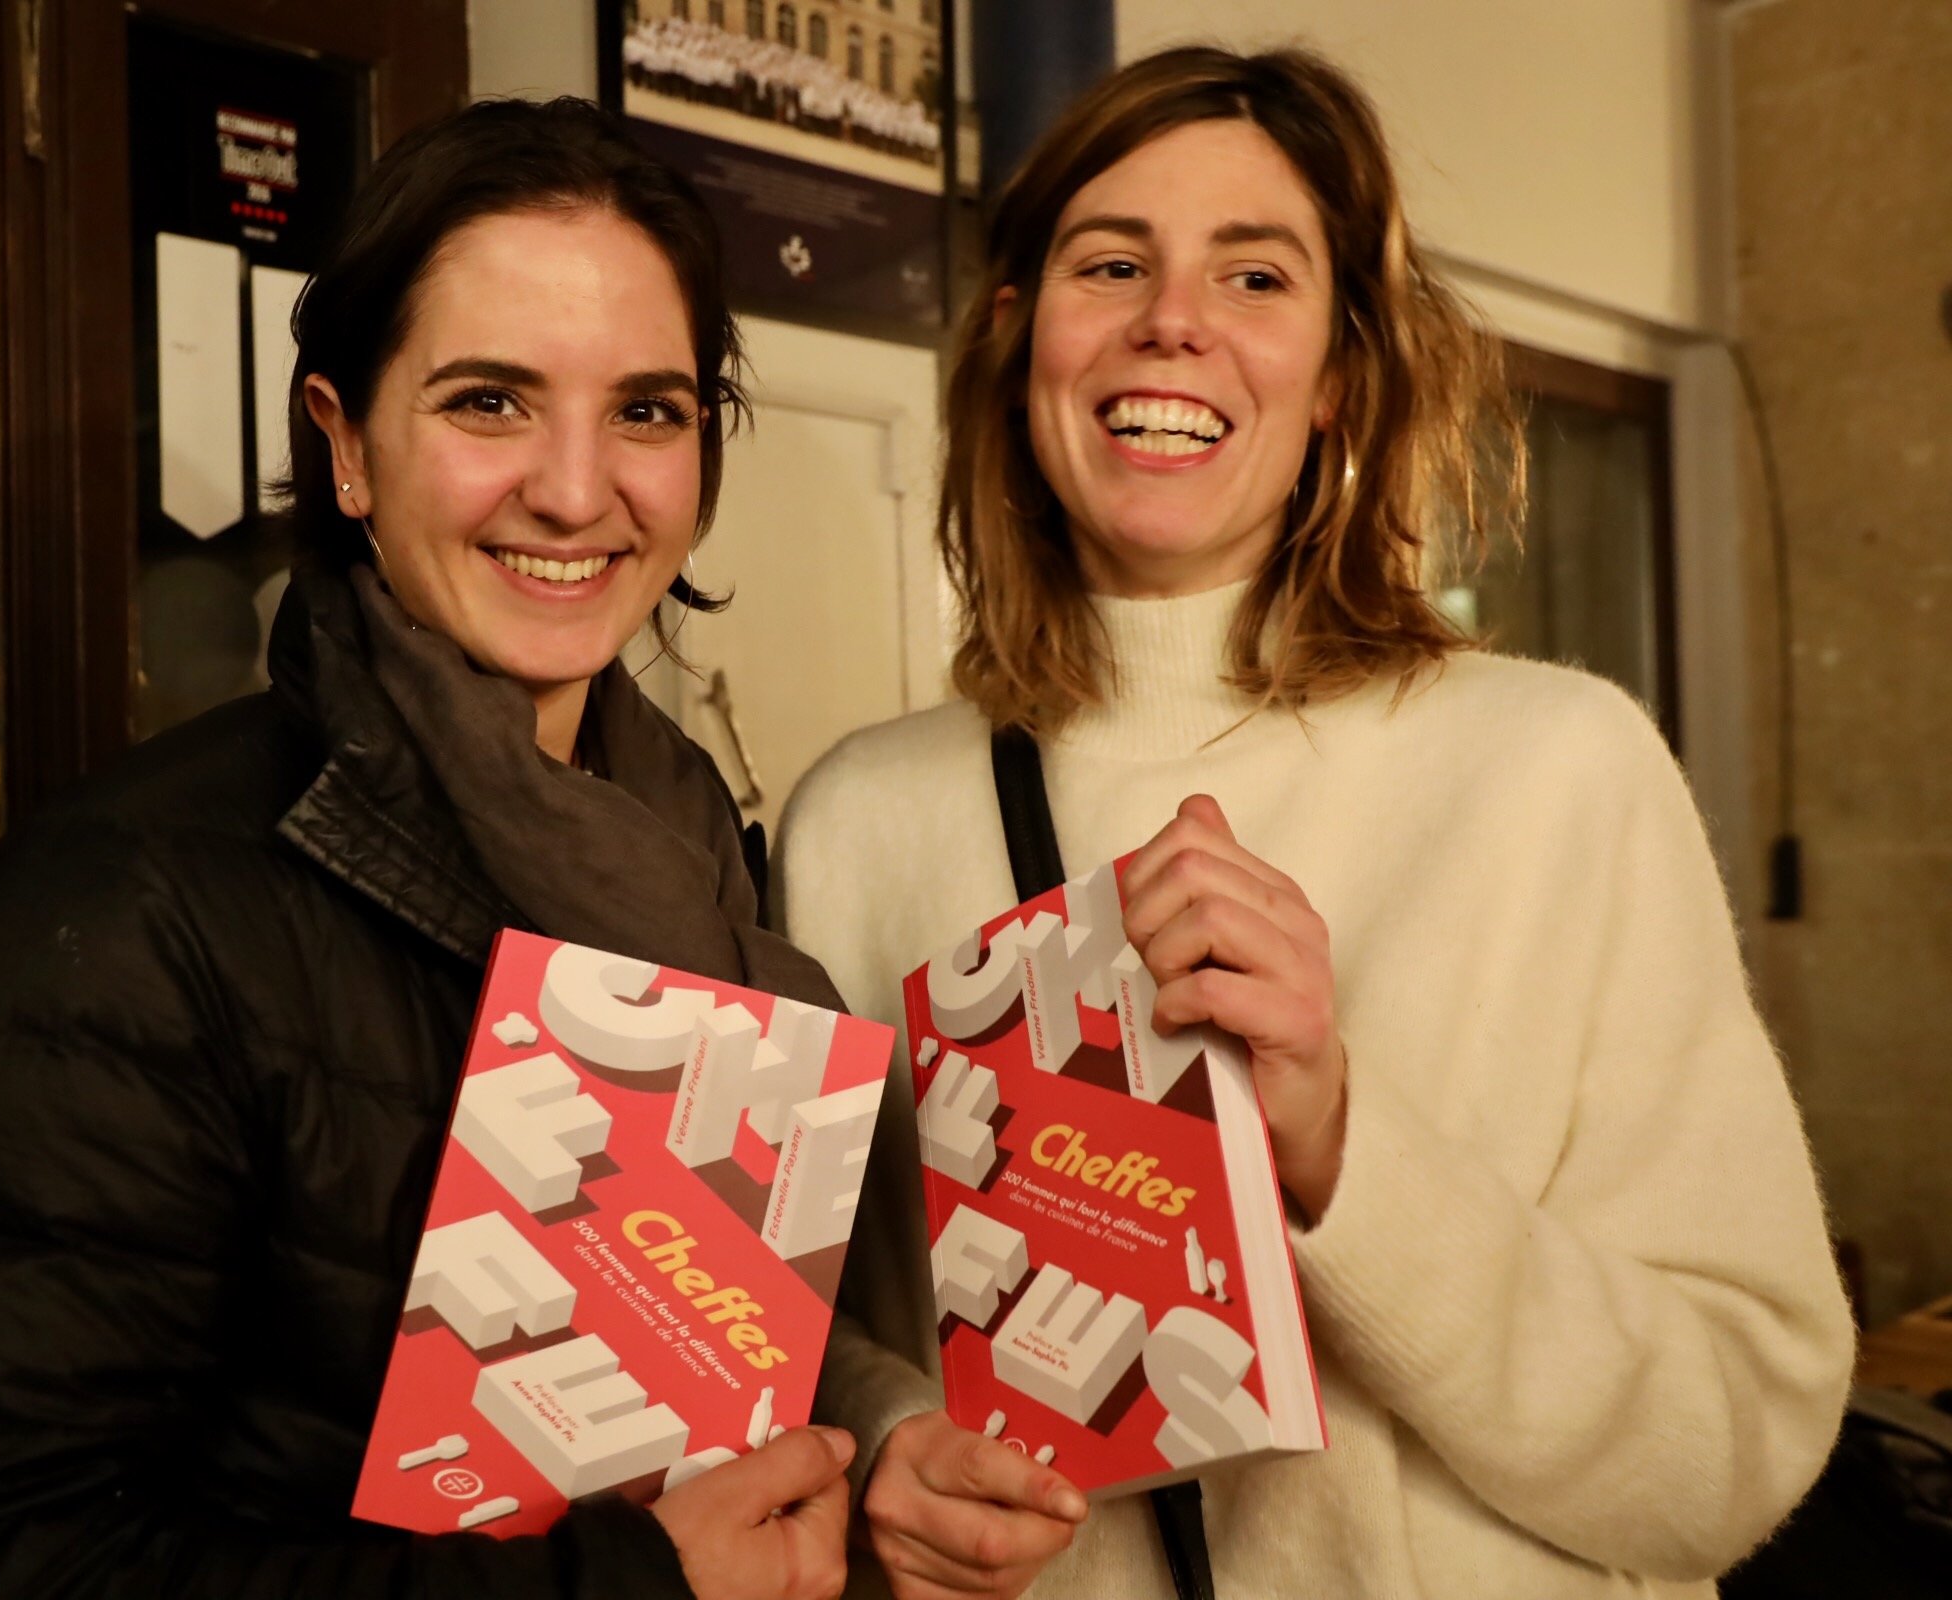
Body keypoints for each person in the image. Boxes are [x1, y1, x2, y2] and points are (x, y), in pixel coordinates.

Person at [781, 45, 1857, 1600]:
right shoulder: (857, 820)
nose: (1174, 320)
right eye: (1112, 262)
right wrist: (885, 1440)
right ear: (1018, 337)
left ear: (1342, 370)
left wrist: (1343, 1140)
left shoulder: (1560, 771)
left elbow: (1732, 1446)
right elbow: (801, 1332)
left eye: (1256, 275)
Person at [0, 97, 854, 1600]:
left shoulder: (686, 855)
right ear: (346, 447)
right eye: (488, 401)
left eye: (646, 409)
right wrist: (623, 1590)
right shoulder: (130, 906)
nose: (574, 488)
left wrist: (871, 1469)